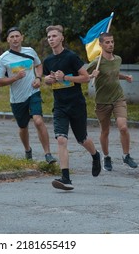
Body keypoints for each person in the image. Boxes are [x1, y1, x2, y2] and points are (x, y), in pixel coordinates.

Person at [42, 25, 101, 191]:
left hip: (76, 104)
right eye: (49, 37)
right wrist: (48, 80)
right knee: (61, 139)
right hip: (60, 105)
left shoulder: (71, 57)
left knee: (82, 139)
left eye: (54, 36)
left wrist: (65, 77)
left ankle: (96, 155)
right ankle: (66, 178)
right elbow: (48, 79)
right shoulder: (47, 61)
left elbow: (85, 78)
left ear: (61, 38)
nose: (51, 39)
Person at [0, 27, 57, 164]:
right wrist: (15, 78)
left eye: (17, 36)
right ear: (8, 40)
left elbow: (38, 65)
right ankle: (27, 149)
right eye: (12, 37)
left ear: (22, 37)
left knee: (38, 120)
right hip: (17, 98)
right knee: (23, 127)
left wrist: (38, 78)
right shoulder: (3, 59)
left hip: (33, 92)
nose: (15, 39)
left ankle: (48, 154)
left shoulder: (30, 51)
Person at [87, 32, 138, 171]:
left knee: (123, 127)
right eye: (107, 42)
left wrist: (125, 76)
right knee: (105, 131)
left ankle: (126, 156)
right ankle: (106, 157)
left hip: (118, 98)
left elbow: (113, 74)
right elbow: (83, 75)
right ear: (101, 44)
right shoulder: (97, 62)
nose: (110, 45)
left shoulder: (118, 59)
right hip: (102, 101)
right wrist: (92, 75)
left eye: (112, 42)